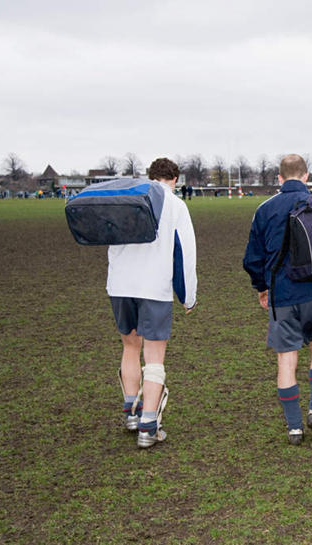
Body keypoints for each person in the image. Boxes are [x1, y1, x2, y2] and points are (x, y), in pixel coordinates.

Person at [243, 154, 312, 445]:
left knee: (286, 361)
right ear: (306, 177)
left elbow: (252, 258)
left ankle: (294, 428)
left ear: (279, 179)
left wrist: (261, 287)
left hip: (283, 296)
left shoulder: (264, 210)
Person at [110, 157, 197, 448]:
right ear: (174, 180)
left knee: (130, 346)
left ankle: (130, 413)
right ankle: (148, 425)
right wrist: (188, 296)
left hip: (120, 285)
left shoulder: (126, 200)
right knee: (155, 356)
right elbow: (184, 253)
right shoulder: (175, 205)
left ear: (150, 176)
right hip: (154, 288)